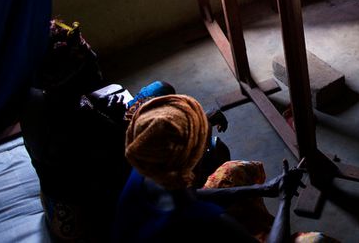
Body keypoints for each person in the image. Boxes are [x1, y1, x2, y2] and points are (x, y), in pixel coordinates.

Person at [112, 94, 309, 243]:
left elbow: (191, 194)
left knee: (234, 171)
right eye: (203, 148)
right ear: (191, 163)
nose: (207, 151)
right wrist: (284, 199)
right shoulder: (208, 220)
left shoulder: (147, 168)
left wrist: (263, 189)